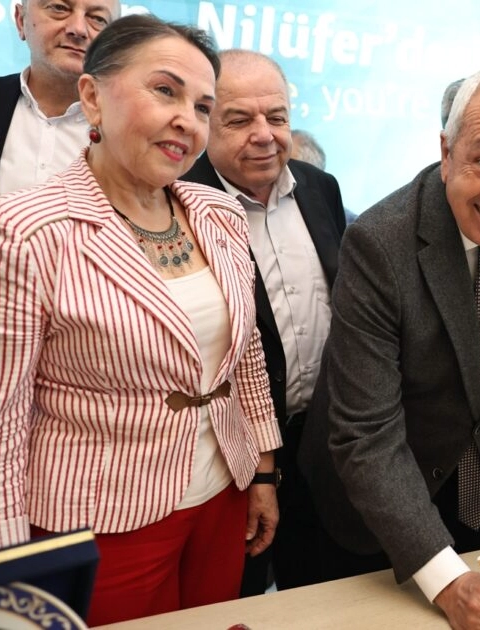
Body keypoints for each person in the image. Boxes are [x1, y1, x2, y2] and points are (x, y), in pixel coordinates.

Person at [0, 14, 282, 625]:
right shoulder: (27, 230)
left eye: (203, 107)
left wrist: (262, 469)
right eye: (165, 90)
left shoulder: (219, 214)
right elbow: (2, 415)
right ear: (93, 96)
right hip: (98, 520)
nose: (187, 120)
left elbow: (247, 354)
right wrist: (9, 560)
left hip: (221, 497)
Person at [299, 64, 480, 629]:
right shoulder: (379, 242)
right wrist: (445, 579)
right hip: (375, 514)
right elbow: (366, 432)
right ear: (446, 152)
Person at [182, 49, 347, 596]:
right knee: (241, 595)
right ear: (205, 120)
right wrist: (260, 470)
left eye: (276, 117)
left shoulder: (321, 188)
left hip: (324, 443)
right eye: (239, 119)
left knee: (323, 592)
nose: (265, 135)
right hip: (232, 459)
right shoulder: (179, 200)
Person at [0, 0, 120, 196]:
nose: (78, 29)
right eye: (59, 8)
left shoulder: (132, 130)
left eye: (97, 18)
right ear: (20, 20)